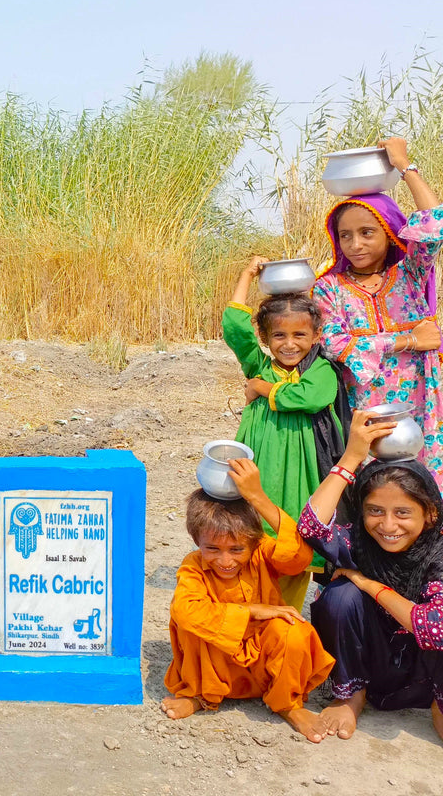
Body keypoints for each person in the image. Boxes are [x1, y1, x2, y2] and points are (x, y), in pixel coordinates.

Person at [162, 459, 335, 743]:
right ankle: (199, 695)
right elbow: (185, 610)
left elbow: (298, 557)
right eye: (212, 549)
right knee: (193, 623)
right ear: (196, 541)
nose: (225, 561)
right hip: (214, 663)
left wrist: (257, 496)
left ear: (254, 541)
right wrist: (252, 610)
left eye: (237, 549)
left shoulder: (261, 552)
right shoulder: (193, 566)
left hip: (260, 663)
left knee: (295, 630)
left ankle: (287, 703)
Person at [299, 410, 443, 741]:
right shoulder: (360, 542)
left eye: (403, 513)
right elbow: (310, 527)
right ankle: (350, 695)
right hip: (371, 662)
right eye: (375, 511)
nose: (388, 526)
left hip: (427, 673)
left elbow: (435, 627)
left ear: (431, 514)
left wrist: (369, 584)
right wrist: (351, 458)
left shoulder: (438, 551)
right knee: (339, 597)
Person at [311, 137, 443, 487]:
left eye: (367, 232)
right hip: (365, 410)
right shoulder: (330, 289)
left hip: (423, 401)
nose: (355, 245)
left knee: (423, 484)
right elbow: (336, 345)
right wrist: (411, 340)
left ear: (389, 231)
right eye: (345, 235)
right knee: (373, 489)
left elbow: (435, 224)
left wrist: (404, 164)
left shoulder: (409, 275)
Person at [224, 259, 349, 608]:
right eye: (278, 335)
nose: (289, 344)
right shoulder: (260, 364)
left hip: (303, 471)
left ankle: (286, 617)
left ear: (316, 336)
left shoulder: (321, 369)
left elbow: (308, 397)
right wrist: (247, 275)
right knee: (252, 541)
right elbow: (235, 328)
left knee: (294, 539)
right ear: (265, 337)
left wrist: (261, 388)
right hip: (261, 464)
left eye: (299, 335)